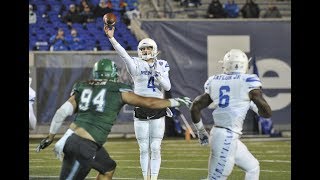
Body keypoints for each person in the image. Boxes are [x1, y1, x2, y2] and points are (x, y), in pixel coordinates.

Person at [35, 58, 191, 180]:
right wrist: (176, 101)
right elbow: (149, 102)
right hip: (83, 146)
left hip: (80, 141)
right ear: (112, 73)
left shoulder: (82, 86)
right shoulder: (117, 89)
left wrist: (50, 136)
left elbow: (61, 112)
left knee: (108, 168)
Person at [190, 49, 272, 180]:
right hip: (226, 137)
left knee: (253, 167)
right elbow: (267, 113)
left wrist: (200, 131)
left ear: (226, 64)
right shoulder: (248, 80)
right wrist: (255, 105)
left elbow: (195, 107)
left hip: (223, 135)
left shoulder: (215, 80)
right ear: (244, 64)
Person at [104, 26, 172, 180]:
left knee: (155, 147)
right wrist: (111, 38)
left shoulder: (162, 64)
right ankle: (144, 178)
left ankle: (153, 178)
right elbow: (123, 54)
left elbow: (167, 86)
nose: (146, 51)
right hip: (140, 108)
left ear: (154, 49)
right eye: (143, 49)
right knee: (143, 148)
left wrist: (158, 74)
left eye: (148, 48)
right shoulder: (135, 64)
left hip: (157, 108)